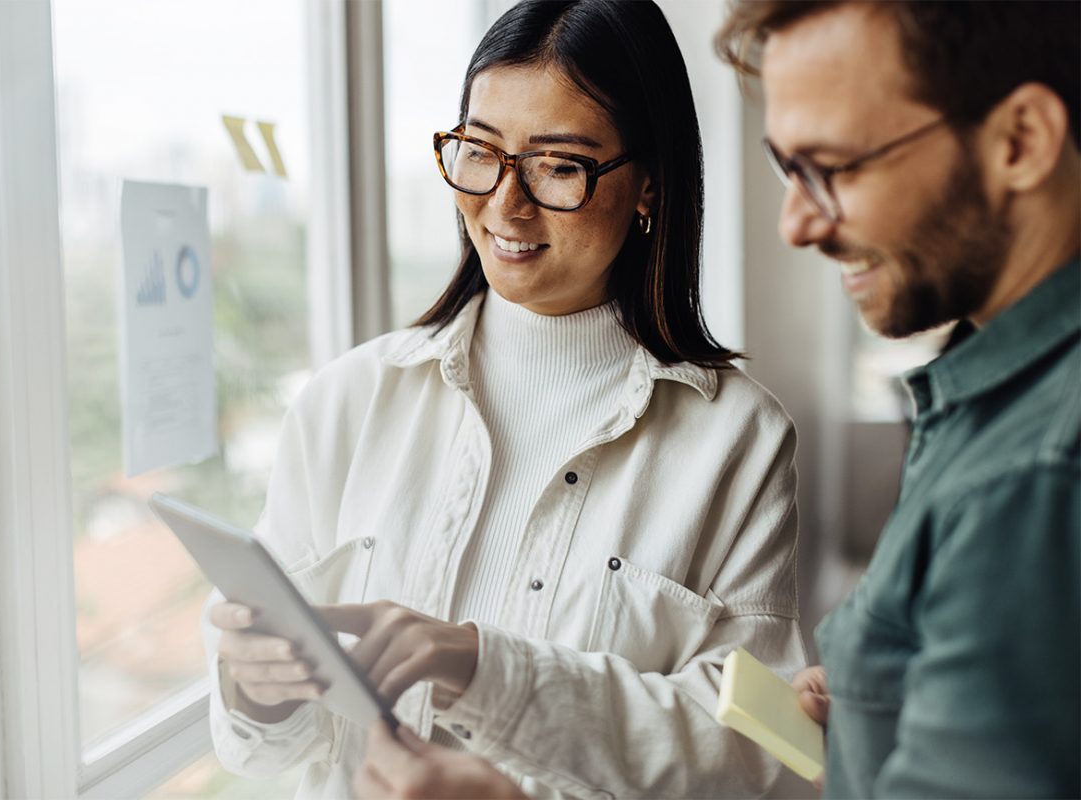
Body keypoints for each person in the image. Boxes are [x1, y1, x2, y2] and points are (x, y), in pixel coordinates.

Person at [356, 1, 1081, 797]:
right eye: (786, 169)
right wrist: (880, 726)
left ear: (1021, 142)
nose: (796, 224)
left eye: (834, 168)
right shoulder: (978, 409)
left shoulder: (1031, 473)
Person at [204, 0, 808, 798]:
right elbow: (268, 751)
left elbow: (757, 752)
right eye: (480, 152)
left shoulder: (739, 440)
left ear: (649, 186)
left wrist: (486, 672)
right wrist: (256, 691)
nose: (504, 204)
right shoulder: (347, 400)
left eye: (558, 166)